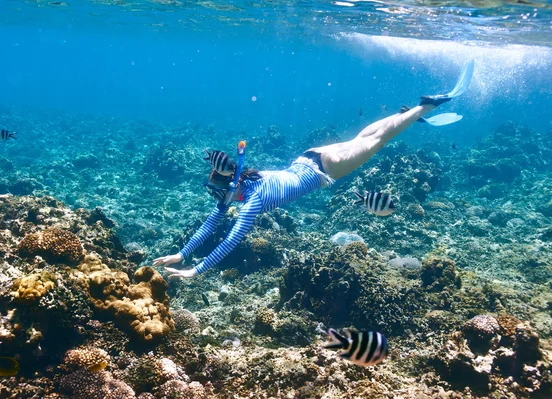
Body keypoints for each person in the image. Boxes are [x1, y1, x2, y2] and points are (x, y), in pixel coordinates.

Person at [153, 62, 474, 278]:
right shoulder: (245, 184)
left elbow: (230, 241)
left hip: (324, 168)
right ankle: (413, 113)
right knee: (365, 138)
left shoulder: (251, 202)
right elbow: (211, 226)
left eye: (219, 193)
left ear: (231, 186)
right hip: (310, 157)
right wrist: (182, 255)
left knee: (375, 142)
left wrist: (197, 270)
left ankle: (427, 105)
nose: (219, 200)